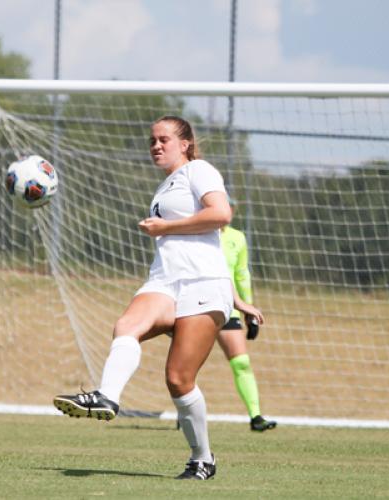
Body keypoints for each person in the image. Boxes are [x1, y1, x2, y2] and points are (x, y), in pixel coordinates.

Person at [53, 115, 264, 481]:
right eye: (152, 140)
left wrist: (165, 227)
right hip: (165, 281)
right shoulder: (165, 187)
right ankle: (106, 397)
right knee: (126, 325)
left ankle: (203, 458)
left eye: (163, 139)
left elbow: (221, 214)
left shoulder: (199, 170)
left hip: (201, 285)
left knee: (178, 380)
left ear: (185, 143)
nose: (155, 145)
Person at [217, 199, 277, 432]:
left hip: (227, 309)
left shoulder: (237, 238)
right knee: (188, 366)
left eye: (230, 207)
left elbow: (242, 275)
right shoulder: (198, 234)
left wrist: (249, 311)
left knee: (241, 362)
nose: (227, 210)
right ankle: (186, 411)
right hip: (197, 308)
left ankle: (256, 416)